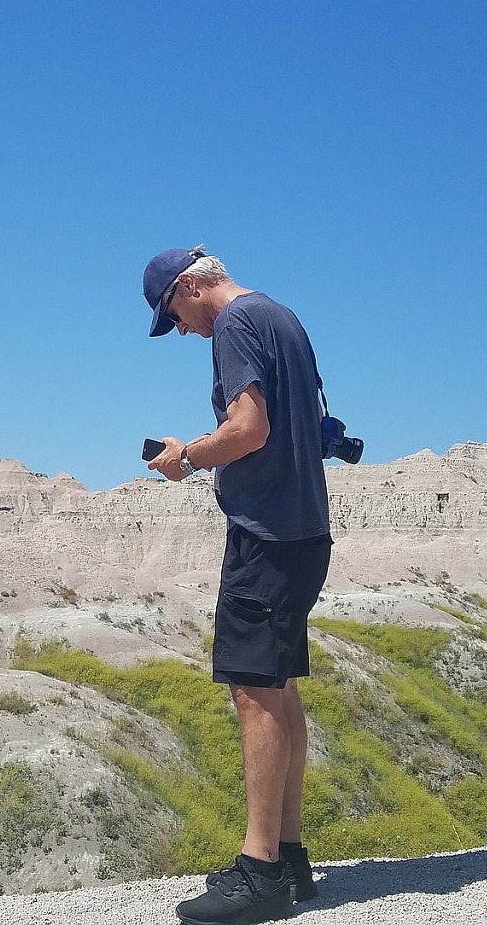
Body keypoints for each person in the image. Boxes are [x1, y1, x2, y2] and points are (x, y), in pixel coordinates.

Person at [142, 246, 332, 925]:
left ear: (191, 286)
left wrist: (185, 456)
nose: (185, 331)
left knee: (252, 692)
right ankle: (287, 859)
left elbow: (248, 430)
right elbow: (311, 425)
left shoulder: (234, 326)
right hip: (304, 529)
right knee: (277, 686)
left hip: (268, 533)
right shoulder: (282, 317)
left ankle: (259, 876)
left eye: (175, 315)